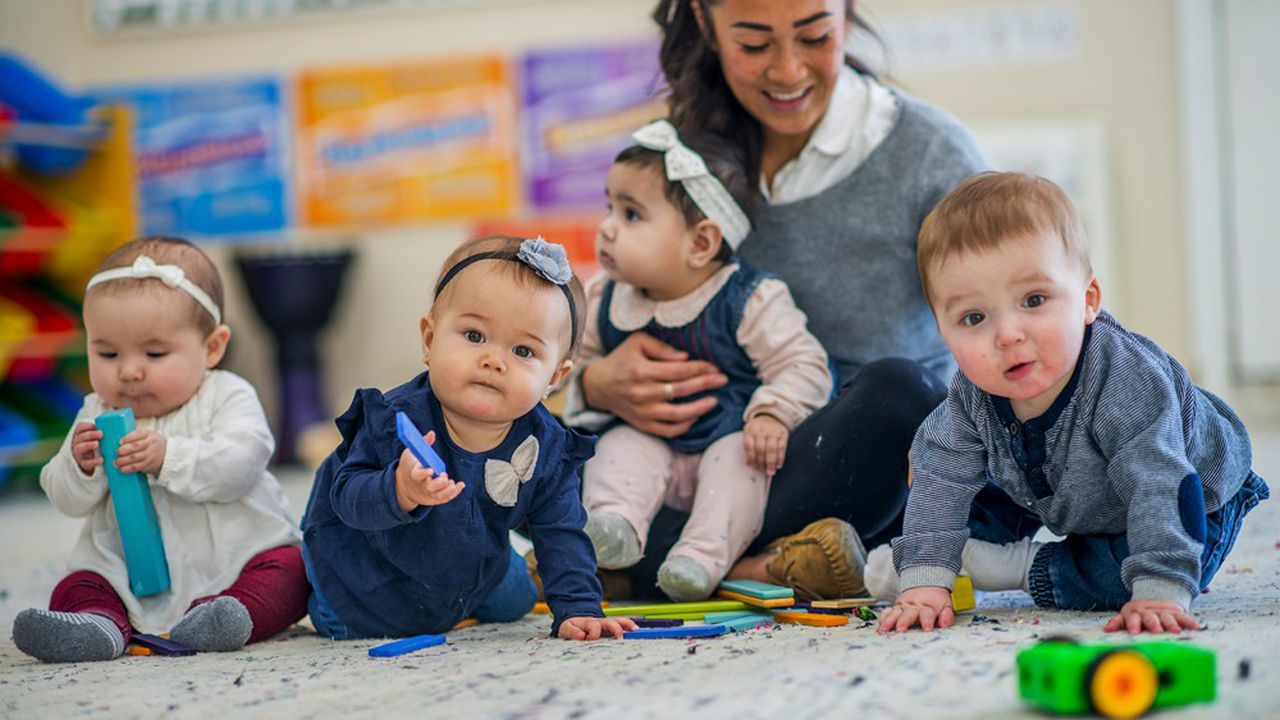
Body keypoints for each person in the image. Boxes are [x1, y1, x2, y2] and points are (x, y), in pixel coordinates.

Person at [561, 0, 988, 599]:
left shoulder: (932, 157)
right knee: (563, 458)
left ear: (846, 17)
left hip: (838, 458)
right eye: (755, 45)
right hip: (684, 458)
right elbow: (592, 321)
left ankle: (692, 564)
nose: (788, 72)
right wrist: (596, 383)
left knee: (903, 393)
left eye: (814, 36)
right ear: (706, 25)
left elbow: (1001, 326)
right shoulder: (680, 160)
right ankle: (760, 564)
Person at [872, 172, 1269, 634]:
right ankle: (944, 559)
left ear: (1088, 300)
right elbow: (939, 477)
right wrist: (923, 582)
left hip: (1189, 491)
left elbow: (1160, 484)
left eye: (1034, 299)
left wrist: (1158, 589)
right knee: (954, 480)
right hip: (1058, 479)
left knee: (1129, 576)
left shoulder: (1126, 383)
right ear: (943, 332)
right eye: (973, 317)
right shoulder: (971, 395)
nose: (1007, 335)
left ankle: (1017, 566)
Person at [301, 236, 636, 641]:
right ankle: (296, 570)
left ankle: (511, 571)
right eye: (475, 336)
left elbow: (561, 529)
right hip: (373, 569)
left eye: (524, 351)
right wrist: (398, 489)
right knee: (341, 620)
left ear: (554, 377)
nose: (493, 361)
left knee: (516, 602)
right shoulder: (396, 419)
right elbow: (346, 498)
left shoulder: (547, 446)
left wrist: (579, 607)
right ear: (430, 340)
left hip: (468, 563)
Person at [12, 236, 308, 663]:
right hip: (126, 571)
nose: (129, 370)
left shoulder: (227, 395)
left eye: (154, 352)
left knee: (293, 572)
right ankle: (101, 626)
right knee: (77, 583)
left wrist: (169, 457)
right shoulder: (95, 412)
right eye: (107, 352)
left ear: (211, 348)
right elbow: (65, 499)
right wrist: (79, 465)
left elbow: (242, 461)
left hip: (235, 557)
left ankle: (225, 618)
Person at [580, 119, 832, 601]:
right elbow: (565, 367)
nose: (606, 228)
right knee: (617, 449)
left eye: (630, 214)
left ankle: (698, 558)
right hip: (650, 444)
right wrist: (592, 380)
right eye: (609, 207)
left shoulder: (749, 298)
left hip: (727, 438)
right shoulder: (604, 298)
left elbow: (803, 364)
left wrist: (771, 411)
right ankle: (614, 527)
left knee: (741, 466)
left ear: (700, 243)